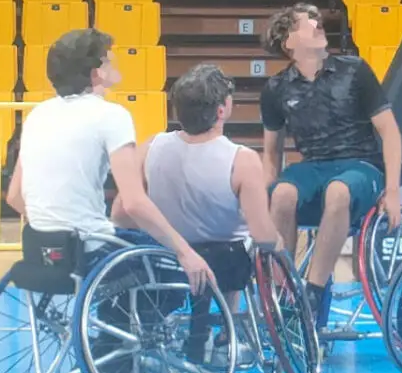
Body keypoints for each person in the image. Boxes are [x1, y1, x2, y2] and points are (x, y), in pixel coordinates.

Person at [6, 28, 216, 293]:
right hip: (89, 248)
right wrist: (185, 251)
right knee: (172, 257)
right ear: (96, 73)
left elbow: (14, 196)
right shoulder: (112, 116)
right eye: (108, 58)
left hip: (40, 247)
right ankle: (189, 333)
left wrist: (56, 221)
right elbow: (133, 203)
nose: (114, 60)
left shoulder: (37, 115)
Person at [259, 3, 402, 324]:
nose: (317, 23)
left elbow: (390, 133)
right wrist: (260, 200)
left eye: (318, 20)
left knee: (338, 192)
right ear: (289, 43)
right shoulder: (275, 90)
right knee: (282, 194)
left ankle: (312, 292)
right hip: (313, 168)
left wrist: (392, 190)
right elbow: (272, 156)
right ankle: (285, 291)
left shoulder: (356, 71)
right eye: (307, 22)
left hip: (361, 167)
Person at [112, 63, 283, 297]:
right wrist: (279, 243)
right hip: (225, 265)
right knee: (258, 245)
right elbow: (262, 235)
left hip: (165, 260)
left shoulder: (150, 148)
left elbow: (121, 214)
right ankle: (227, 324)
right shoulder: (243, 160)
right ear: (221, 110)